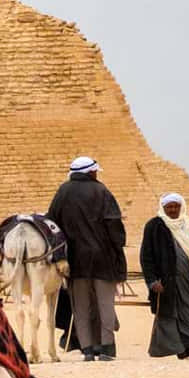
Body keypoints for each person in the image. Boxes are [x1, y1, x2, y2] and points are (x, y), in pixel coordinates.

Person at [45, 155, 126, 361]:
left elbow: (51, 223)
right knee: (105, 304)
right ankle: (107, 348)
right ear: (90, 172)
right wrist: (118, 248)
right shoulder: (101, 191)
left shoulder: (63, 192)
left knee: (80, 306)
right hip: (103, 259)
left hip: (75, 261)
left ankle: (88, 349)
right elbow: (114, 226)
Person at [140, 192, 189, 358]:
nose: (173, 210)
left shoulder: (187, 225)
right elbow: (146, 256)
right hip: (166, 281)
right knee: (170, 315)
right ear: (163, 208)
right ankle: (178, 348)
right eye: (169, 207)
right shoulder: (155, 226)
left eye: (176, 206)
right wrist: (152, 280)